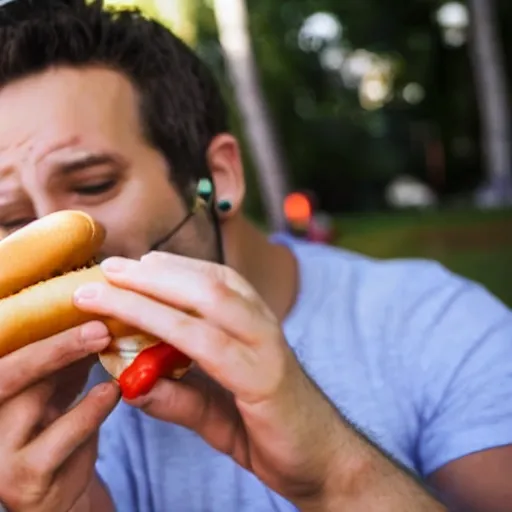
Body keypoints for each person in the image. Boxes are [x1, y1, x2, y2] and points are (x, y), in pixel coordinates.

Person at [0, 2, 510, 511]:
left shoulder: (442, 325)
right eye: (10, 217)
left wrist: (339, 477)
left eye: (93, 184)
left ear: (217, 178)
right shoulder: (25, 411)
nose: (52, 243)